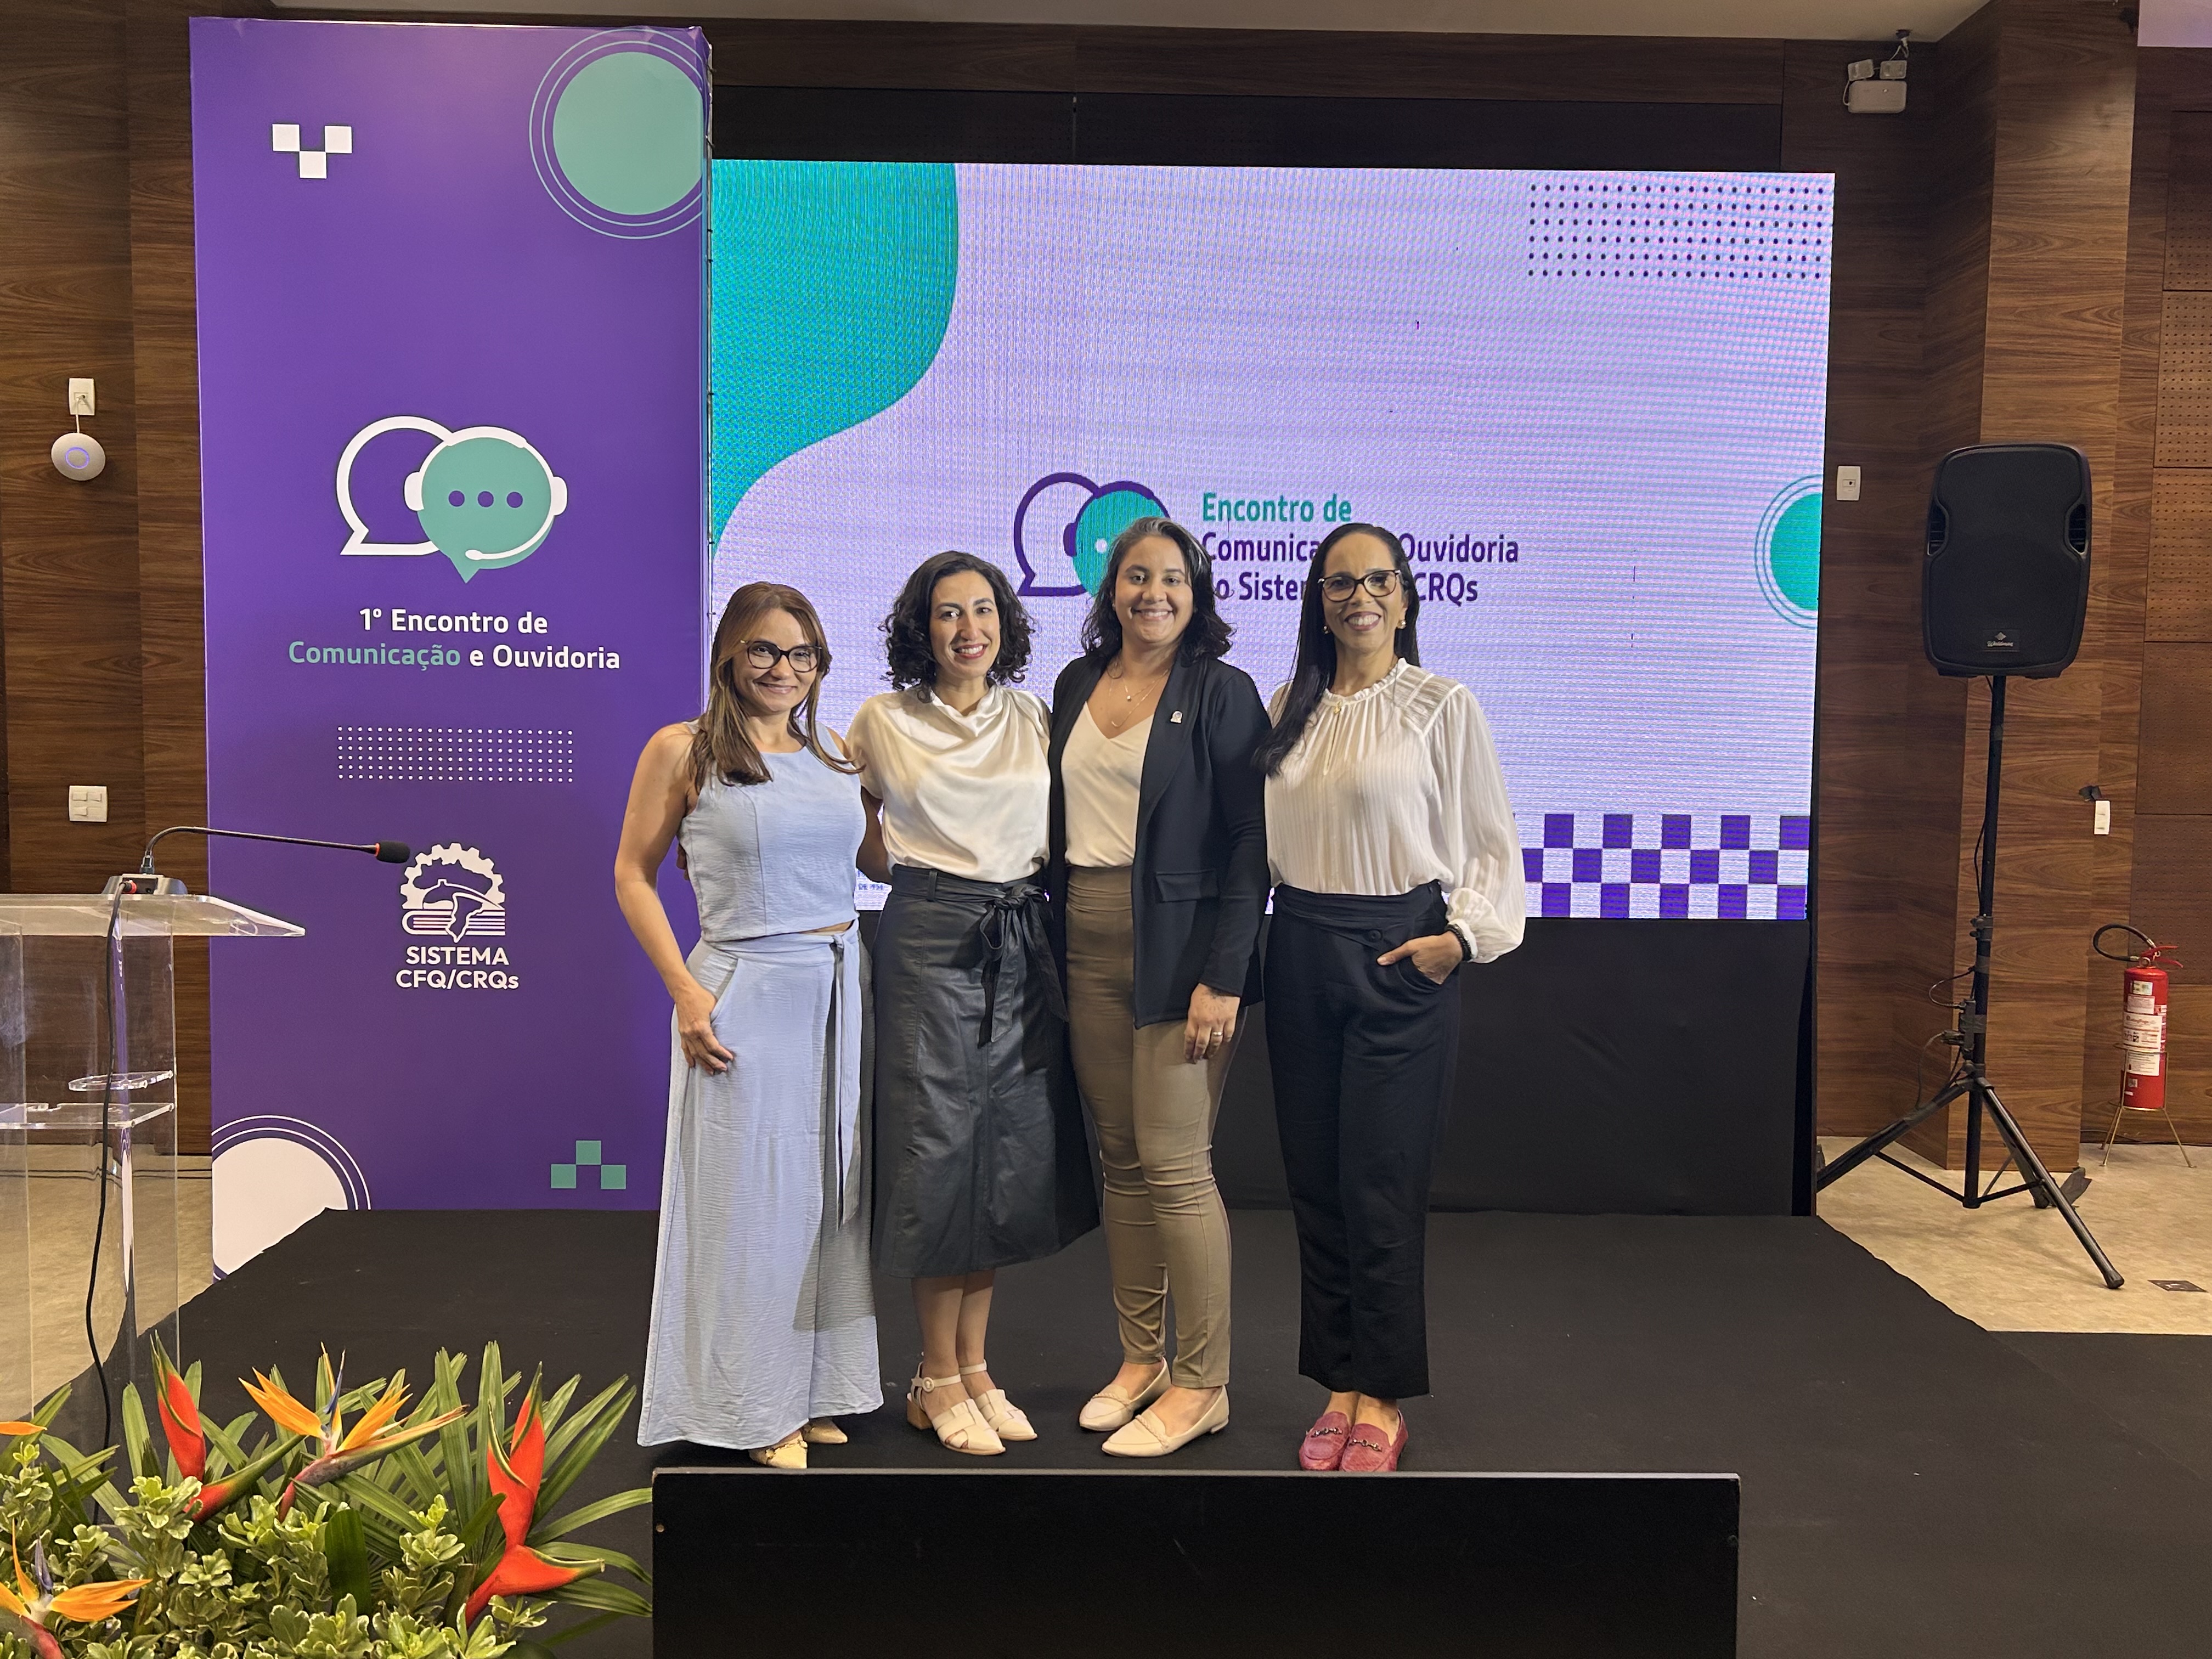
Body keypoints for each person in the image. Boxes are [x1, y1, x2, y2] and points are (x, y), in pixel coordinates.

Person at [1252, 523, 1524, 1474]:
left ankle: (1383, 1396)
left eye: (1378, 580)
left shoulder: (1442, 706)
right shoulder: (1286, 706)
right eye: (1340, 583)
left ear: (1406, 598)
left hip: (1397, 954)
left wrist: (1460, 941)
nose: (1359, 597)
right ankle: (1337, 1384)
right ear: (1318, 602)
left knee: (1381, 1185)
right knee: (1317, 1183)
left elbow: (1490, 842)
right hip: (1301, 948)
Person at [619, 582, 878, 1469]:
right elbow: (631, 874)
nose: (783, 669)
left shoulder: (834, 751)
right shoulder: (682, 749)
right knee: (749, 1207)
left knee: (830, 1199)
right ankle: (751, 1409)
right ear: (730, 652)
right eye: (764, 650)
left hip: (839, 988)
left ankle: (816, 1389)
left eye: (802, 654)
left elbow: (878, 856)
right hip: (744, 992)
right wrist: (686, 995)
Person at [848, 550, 1099, 1457]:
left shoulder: (1033, 715)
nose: (969, 629)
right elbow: (851, 828)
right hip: (929, 938)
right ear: (921, 628)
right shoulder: (882, 719)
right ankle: (934, 1374)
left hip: (1020, 936)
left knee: (1002, 1156)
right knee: (938, 1153)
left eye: (984, 610)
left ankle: (975, 1366)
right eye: (949, 612)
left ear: (1006, 623)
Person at [1045, 517, 1268, 1458]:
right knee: (1124, 1161)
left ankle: (1203, 1382)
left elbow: (1252, 842)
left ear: (1196, 592)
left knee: (1177, 1165)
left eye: (1173, 578)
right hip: (1084, 934)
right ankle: (1142, 1360)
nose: (1154, 594)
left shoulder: (1221, 691)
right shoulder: (1074, 683)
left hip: (1183, 951)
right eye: (1138, 576)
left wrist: (1226, 974)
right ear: (1112, 589)